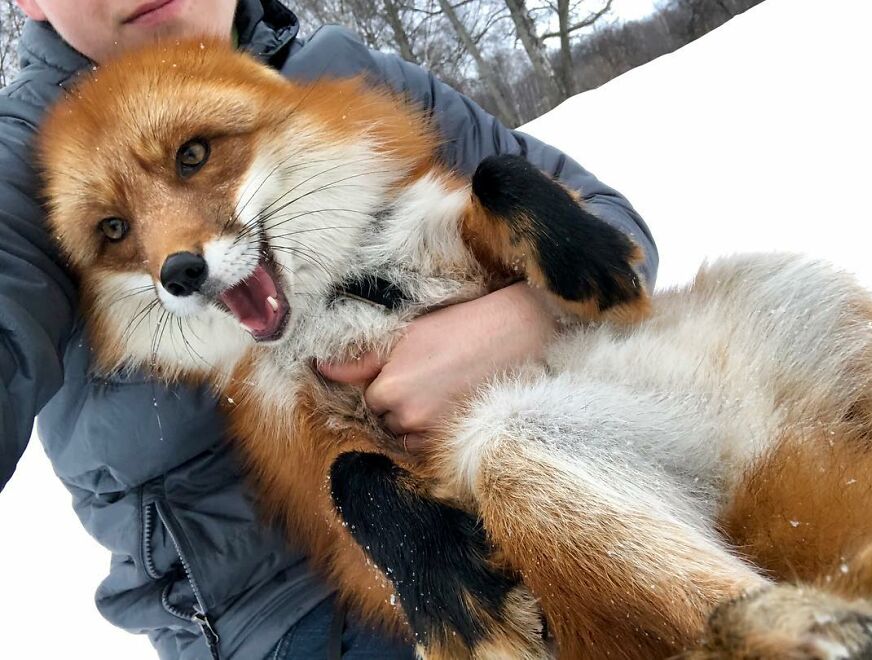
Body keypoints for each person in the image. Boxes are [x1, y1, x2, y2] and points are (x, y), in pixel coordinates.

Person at [0, 0, 658, 658]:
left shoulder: (345, 68)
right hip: (291, 613)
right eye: (114, 229)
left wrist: (530, 317)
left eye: (193, 154)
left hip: (561, 419)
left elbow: (609, 231)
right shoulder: (18, 161)